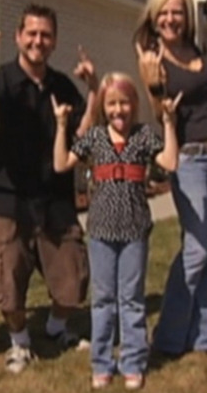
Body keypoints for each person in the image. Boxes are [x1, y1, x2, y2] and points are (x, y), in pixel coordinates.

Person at [0, 3, 98, 374]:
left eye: (45, 35)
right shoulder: (0, 82)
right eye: (32, 33)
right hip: (3, 195)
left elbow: (81, 137)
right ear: (18, 37)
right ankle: (20, 342)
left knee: (74, 275)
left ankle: (57, 327)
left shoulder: (61, 86)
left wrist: (93, 89)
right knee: (6, 269)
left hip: (53, 195)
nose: (38, 41)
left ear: (54, 41)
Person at [52, 72, 180, 389]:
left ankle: (133, 361)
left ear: (133, 105)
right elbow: (60, 164)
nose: (118, 110)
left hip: (134, 230)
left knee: (132, 300)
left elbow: (171, 162)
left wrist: (169, 123)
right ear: (104, 108)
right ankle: (102, 363)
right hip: (101, 232)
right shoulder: (95, 138)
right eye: (111, 104)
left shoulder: (143, 135)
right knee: (103, 300)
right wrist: (60, 126)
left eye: (124, 103)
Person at [134, 0, 207, 357]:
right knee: (197, 249)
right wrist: (157, 90)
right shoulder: (151, 59)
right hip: (190, 159)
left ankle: (205, 337)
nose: (170, 18)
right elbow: (157, 113)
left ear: (187, 15)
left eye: (177, 11)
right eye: (163, 12)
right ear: (153, 16)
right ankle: (169, 336)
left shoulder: (197, 47)